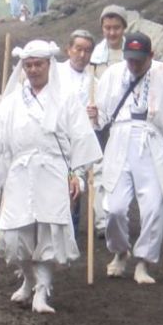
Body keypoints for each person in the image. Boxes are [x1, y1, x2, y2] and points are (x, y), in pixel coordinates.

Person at [0, 40, 102, 313]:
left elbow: (81, 138)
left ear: (49, 65)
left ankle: (42, 291)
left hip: (53, 171)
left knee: (48, 233)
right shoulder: (13, 101)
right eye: (28, 65)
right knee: (16, 234)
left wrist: (76, 174)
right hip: (20, 171)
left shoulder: (65, 100)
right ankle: (28, 279)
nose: (33, 70)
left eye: (38, 64)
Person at [91, 31, 163, 284]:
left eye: (139, 60)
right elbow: (101, 119)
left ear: (151, 56)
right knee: (114, 207)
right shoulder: (112, 74)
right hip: (120, 138)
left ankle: (143, 262)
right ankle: (120, 251)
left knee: (155, 205)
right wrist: (92, 114)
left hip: (152, 138)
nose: (133, 65)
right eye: (130, 59)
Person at [87, 4, 128, 235]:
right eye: (107, 28)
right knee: (100, 169)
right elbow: (89, 86)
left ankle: (118, 214)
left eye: (116, 28)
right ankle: (102, 220)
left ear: (124, 28)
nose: (112, 33)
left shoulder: (132, 53)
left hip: (125, 119)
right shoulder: (95, 57)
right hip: (101, 120)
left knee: (123, 169)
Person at [56, 29, 97, 234]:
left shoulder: (95, 82)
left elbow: (102, 118)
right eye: (78, 49)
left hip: (79, 138)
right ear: (68, 50)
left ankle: (72, 228)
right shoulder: (55, 73)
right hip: (57, 136)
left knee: (77, 182)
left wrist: (95, 114)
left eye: (87, 51)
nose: (82, 55)